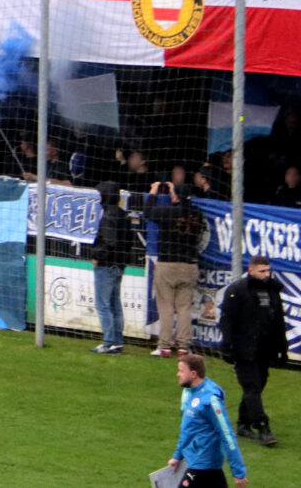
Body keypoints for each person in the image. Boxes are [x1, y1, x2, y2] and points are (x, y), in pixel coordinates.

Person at [219, 255, 288, 447]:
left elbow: (278, 320)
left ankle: (243, 424)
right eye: (262, 271)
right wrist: (227, 346)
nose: (266, 275)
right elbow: (227, 319)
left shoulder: (272, 290)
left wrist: (282, 348)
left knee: (258, 386)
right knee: (252, 387)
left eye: (268, 271)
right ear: (251, 271)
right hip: (243, 348)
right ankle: (263, 427)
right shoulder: (238, 290)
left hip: (264, 349)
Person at [143, 181, 204, 356]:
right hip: (189, 265)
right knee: (184, 307)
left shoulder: (168, 211)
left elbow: (148, 212)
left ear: (175, 195)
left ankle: (165, 345)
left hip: (168, 264)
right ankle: (184, 346)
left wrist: (154, 192)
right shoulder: (197, 214)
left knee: (166, 307)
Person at [169, 352, 247, 488]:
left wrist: (238, 471)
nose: (178, 374)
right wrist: (178, 455)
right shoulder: (188, 392)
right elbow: (188, 430)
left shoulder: (211, 400)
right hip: (198, 463)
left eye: (181, 371)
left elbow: (226, 434)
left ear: (193, 374)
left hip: (203, 465)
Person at [91, 181, 132, 354]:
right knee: (115, 304)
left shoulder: (108, 216)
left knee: (103, 304)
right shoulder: (124, 215)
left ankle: (108, 342)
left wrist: (97, 256)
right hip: (119, 265)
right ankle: (117, 341)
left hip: (107, 265)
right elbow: (129, 241)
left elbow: (109, 242)